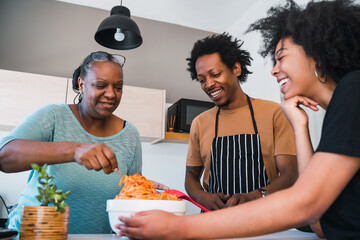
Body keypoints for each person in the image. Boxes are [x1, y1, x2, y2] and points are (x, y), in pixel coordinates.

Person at [116, 0, 360, 239]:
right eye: (202, 79)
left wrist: (179, 228)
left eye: (281, 57)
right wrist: (299, 124)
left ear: (316, 51)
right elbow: (317, 219)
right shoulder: (341, 105)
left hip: (267, 227)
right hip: (221, 222)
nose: (274, 70)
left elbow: (306, 200)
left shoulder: (353, 89)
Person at [0, 51, 143, 233]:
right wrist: (73, 150)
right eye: (101, 85)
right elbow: (3, 155)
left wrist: (146, 192)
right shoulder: (53, 117)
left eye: (118, 87)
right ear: (81, 84)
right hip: (35, 235)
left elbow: (130, 198)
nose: (111, 94)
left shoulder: (130, 134)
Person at [185, 33, 297, 211]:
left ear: (236, 68)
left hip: (264, 218)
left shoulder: (273, 112)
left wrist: (256, 196)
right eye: (202, 80)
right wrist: (202, 196)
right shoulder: (200, 123)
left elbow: (290, 174)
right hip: (213, 219)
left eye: (215, 74)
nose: (208, 84)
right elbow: (191, 177)